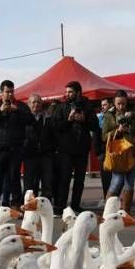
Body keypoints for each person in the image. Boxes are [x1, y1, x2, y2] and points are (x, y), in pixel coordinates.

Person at [0, 80, 34, 220]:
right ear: (1, 92)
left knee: (14, 179)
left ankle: (16, 207)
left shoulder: (21, 106)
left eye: (12, 91)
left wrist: (16, 111)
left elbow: (31, 120)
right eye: (7, 91)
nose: (10, 94)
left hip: (15, 150)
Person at [52, 81, 98, 215]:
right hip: (65, 149)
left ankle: (75, 205)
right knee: (64, 178)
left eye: (70, 92)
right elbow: (55, 127)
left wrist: (85, 120)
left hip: (82, 149)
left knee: (80, 180)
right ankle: (61, 206)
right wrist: (68, 120)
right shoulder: (61, 107)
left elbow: (95, 126)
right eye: (66, 92)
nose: (67, 94)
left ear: (78, 92)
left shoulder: (88, 106)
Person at [101, 90, 135, 212]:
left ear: (127, 102)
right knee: (116, 182)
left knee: (129, 183)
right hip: (119, 153)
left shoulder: (134, 111)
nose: (121, 106)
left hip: (134, 151)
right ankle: (108, 212)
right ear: (114, 103)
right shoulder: (108, 115)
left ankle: (126, 213)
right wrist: (118, 131)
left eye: (123, 103)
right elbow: (104, 136)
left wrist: (134, 115)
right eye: (118, 104)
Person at [23, 94, 54, 199]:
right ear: (28, 104)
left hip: (46, 155)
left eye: (38, 102)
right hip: (30, 156)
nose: (36, 104)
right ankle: (30, 209)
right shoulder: (24, 119)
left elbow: (53, 135)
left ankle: (47, 208)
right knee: (30, 185)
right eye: (33, 102)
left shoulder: (48, 118)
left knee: (47, 184)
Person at [96, 97, 114, 201]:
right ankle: (107, 199)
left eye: (105, 105)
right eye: (102, 105)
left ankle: (115, 199)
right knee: (106, 178)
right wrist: (99, 153)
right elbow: (96, 136)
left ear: (111, 105)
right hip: (103, 151)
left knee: (116, 178)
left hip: (115, 150)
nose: (103, 107)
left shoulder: (114, 116)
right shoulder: (100, 119)